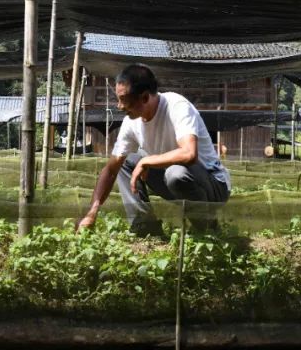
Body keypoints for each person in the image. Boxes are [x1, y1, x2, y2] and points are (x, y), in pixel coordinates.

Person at [77, 64, 230, 237]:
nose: (119, 106)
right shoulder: (131, 122)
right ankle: (144, 226)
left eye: (123, 99)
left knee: (176, 173)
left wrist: (146, 161)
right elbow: (111, 170)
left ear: (144, 97)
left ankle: (207, 228)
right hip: (175, 183)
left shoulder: (176, 106)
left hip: (213, 186)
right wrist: (92, 211)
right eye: (117, 99)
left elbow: (189, 153)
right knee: (126, 160)